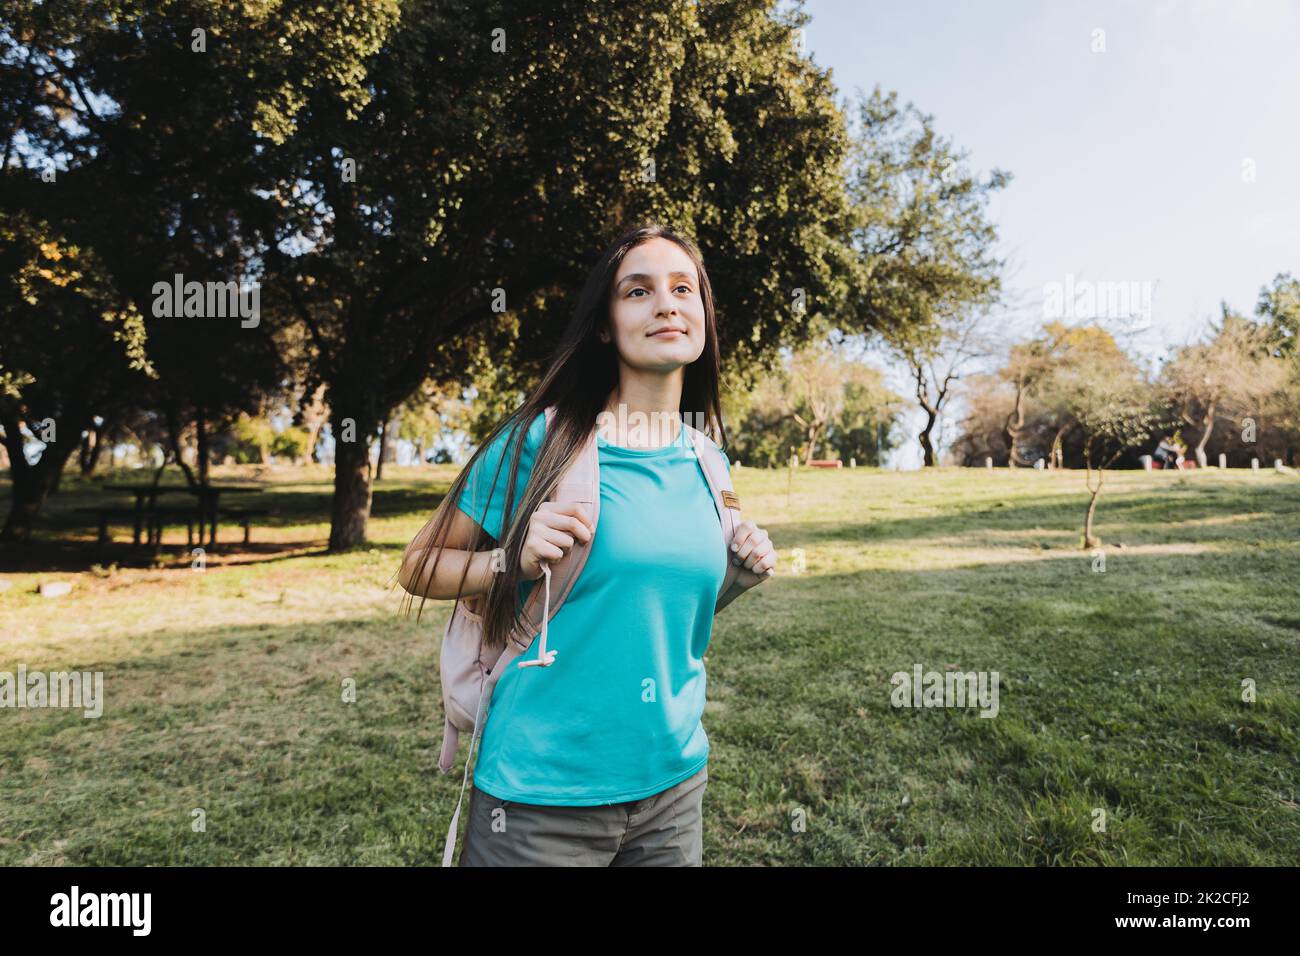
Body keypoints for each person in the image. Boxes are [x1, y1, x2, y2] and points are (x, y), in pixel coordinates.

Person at [398, 223, 777, 866]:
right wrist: (508, 559)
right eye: (638, 291)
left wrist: (735, 576)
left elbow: (648, 613)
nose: (666, 304)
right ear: (605, 324)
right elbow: (417, 566)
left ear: (703, 316)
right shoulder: (537, 443)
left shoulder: (711, 463)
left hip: (673, 791)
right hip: (537, 797)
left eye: (683, 288)